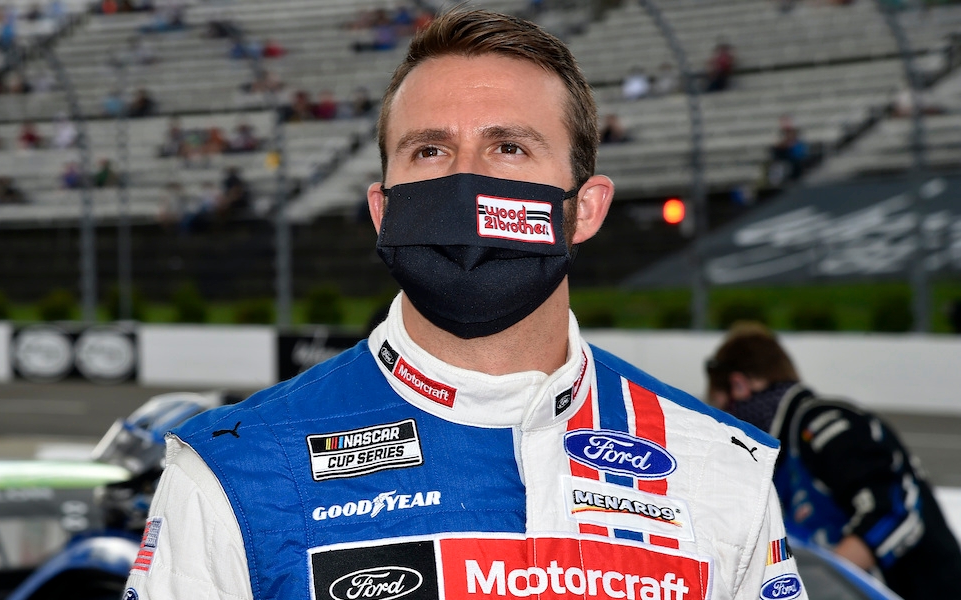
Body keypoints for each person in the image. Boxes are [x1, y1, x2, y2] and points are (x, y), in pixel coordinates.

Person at [125, 10, 803, 600]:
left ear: (587, 209)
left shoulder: (721, 467)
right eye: (429, 150)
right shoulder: (231, 474)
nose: (466, 183)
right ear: (382, 210)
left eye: (508, 147)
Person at [706, 324, 961, 600]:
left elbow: (890, 510)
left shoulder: (822, 425)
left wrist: (817, 585)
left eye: (722, 407)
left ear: (739, 386)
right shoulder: (787, 448)